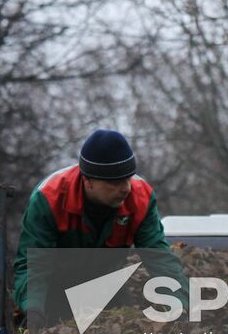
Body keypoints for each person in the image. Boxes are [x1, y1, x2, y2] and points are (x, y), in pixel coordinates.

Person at [13, 129, 173, 315]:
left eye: (128, 179)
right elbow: (34, 264)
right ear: (87, 181)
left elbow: (160, 258)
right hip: (53, 289)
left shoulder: (140, 197)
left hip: (107, 286)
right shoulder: (49, 199)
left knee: (131, 329)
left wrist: (182, 306)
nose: (126, 189)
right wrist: (32, 309)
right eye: (115, 183)